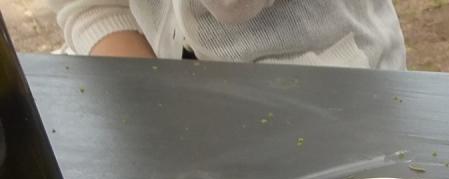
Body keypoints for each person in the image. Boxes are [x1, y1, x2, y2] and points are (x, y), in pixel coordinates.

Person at [48, 0, 406, 70]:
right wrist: (152, 91)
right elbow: (91, 7)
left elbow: (234, 6)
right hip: (177, 124)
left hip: (339, 94)